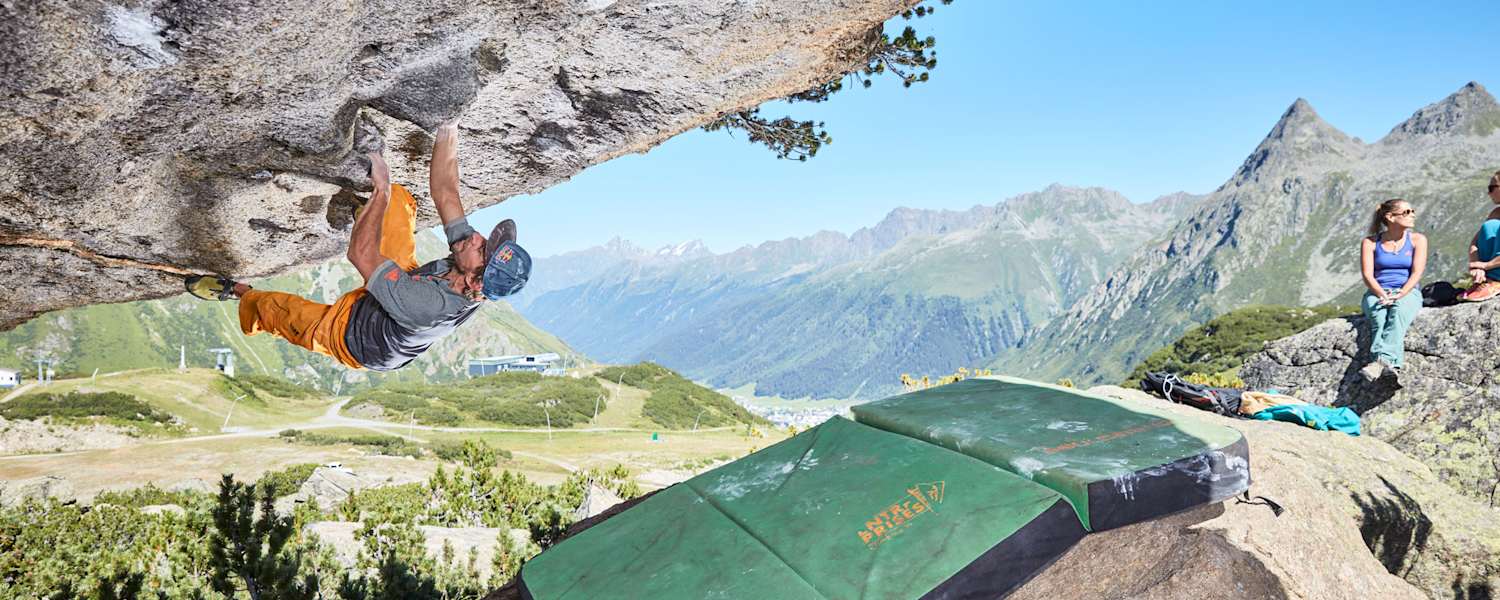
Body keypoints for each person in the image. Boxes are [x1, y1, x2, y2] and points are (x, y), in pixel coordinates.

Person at [183, 121, 531, 371]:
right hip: (407, 285)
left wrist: (379, 187)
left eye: (483, 248)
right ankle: (367, 211)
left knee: (284, 312)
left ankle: (239, 293)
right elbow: (446, 191)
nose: (476, 237)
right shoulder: (469, 263)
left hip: (359, 336)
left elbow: (360, 255)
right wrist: (449, 124)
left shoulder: (429, 306)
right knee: (397, 202)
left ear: (473, 281)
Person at [1358, 198, 1426, 381]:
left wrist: (1401, 294)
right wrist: (1382, 294)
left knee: (1397, 313)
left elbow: (1417, 272)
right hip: (1377, 291)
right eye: (1406, 212)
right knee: (1379, 317)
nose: (1412, 215)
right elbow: (1367, 275)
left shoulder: (1417, 240)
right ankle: (1393, 368)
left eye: (1412, 211)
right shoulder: (1370, 243)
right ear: (1390, 217)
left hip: (1407, 291)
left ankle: (1380, 362)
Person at [1459, 170, 1500, 302]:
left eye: (1491, 187)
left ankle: (1496, 280)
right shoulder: (1496, 213)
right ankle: (1488, 280)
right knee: (1490, 226)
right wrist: (1477, 267)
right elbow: (1475, 244)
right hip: (1489, 269)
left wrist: (1486, 266)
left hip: (1491, 268)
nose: (1488, 193)